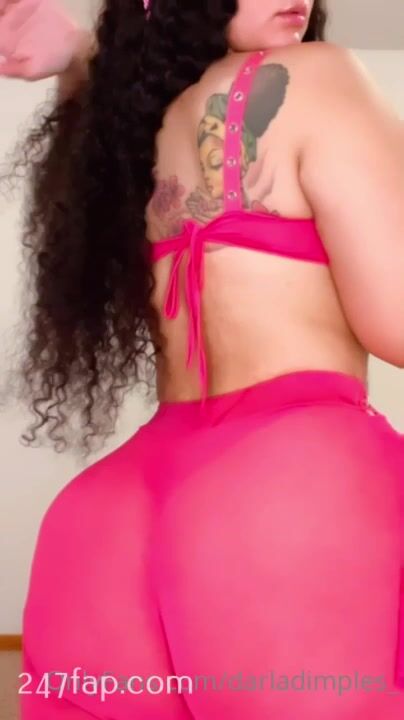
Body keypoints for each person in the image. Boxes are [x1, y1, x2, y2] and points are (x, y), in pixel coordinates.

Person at [2, 0, 404, 718]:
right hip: (287, 496)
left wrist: (82, 55)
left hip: (106, 525)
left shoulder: (138, 128)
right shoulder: (315, 77)